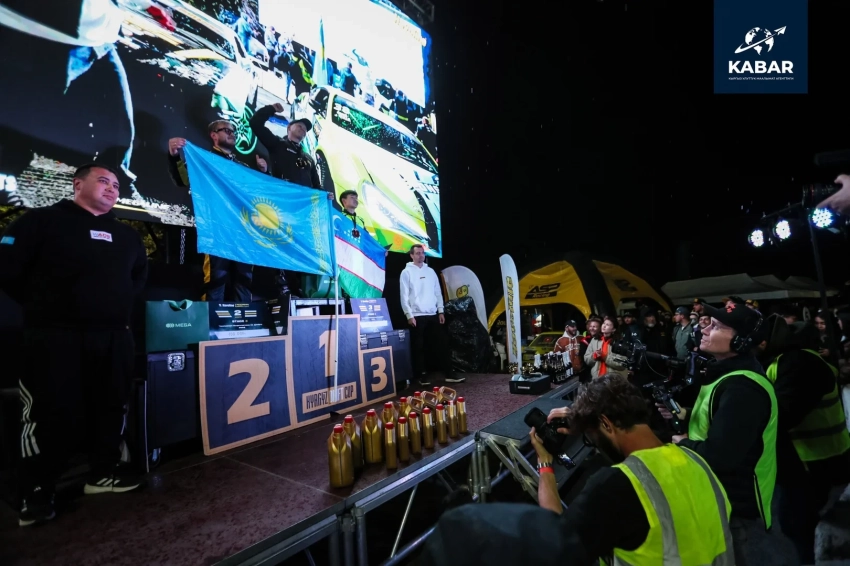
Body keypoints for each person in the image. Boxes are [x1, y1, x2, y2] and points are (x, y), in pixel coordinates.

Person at [421, 375, 736, 566]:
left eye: (592, 437)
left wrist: (544, 462)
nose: (594, 446)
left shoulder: (619, 486)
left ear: (606, 424)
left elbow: (556, 540)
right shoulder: (696, 459)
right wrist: (584, 419)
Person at [0, 164, 149, 527]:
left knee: (112, 405)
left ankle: (103, 474)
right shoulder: (40, 222)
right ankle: (36, 491)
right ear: (77, 184)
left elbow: (136, 281)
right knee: (49, 411)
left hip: (114, 337)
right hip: (53, 336)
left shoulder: (128, 236)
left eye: (116, 185)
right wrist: (50, 307)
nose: (112, 188)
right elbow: (7, 269)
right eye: (103, 181)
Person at [662, 303, 795, 565]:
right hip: (719, 499)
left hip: (737, 510)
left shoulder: (742, 387)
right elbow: (720, 421)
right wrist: (685, 414)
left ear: (741, 341)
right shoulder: (728, 376)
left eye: (716, 326)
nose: (704, 329)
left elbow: (720, 456)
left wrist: (683, 443)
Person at [757, 317, 850, 564]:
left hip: (814, 460)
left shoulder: (799, 363)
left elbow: (781, 413)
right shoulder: (789, 361)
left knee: (796, 523)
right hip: (813, 458)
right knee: (798, 522)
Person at [168, 121, 268, 302]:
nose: (232, 134)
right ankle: (211, 319)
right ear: (213, 135)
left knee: (244, 280)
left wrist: (263, 173)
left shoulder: (242, 166)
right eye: (226, 130)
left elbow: (258, 196)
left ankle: (243, 318)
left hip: (243, 232)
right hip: (217, 229)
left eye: (233, 131)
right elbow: (183, 180)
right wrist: (174, 156)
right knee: (215, 279)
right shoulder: (204, 160)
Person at [400, 244, 462, 386]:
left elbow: (437, 292)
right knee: (419, 347)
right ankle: (421, 375)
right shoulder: (406, 272)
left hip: (432, 313)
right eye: (417, 253)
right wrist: (409, 315)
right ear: (411, 255)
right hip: (416, 315)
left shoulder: (431, 271)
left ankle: (449, 373)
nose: (421, 255)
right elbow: (403, 296)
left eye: (422, 253)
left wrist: (441, 310)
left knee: (442, 343)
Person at [249, 103, 321, 190]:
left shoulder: (309, 159)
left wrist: (326, 195)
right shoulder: (277, 144)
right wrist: (271, 109)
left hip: (302, 198)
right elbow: (255, 123)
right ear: (289, 127)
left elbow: (317, 186)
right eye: (300, 126)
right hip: (280, 194)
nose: (303, 129)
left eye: (305, 129)